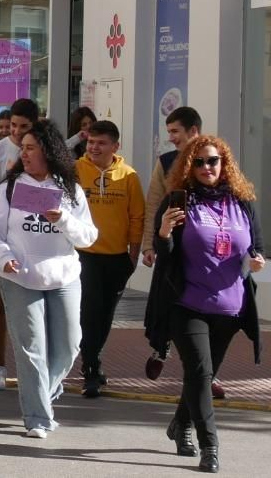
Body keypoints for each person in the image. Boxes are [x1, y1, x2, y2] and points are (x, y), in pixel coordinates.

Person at [148, 135, 263, 473]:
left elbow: (256, 247)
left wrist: (256, 261)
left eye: (212, 161)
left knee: (203, 374)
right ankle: (210, 445)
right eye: (198, 162)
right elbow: (165, 259)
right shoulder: (179, 200)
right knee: (199, 373)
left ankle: (179, 424)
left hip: (230, 305)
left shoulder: (242, 203)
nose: (206, 167)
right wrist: (164, 233)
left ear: (223, 163)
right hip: (188, 303)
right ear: (188, 166)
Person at [0, 119, 97, 439]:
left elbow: (88, 236)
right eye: (23, 148)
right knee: (30, 348)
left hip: (64, 276)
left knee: (69, 346)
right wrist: (4, 258)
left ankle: (42, 394)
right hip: (19, 277)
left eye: (31, 148)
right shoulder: (10, 187)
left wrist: (64, 220)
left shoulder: (69, 189)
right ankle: (37, 417)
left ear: (48, 150)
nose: (25, 153)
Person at [74, 120, 144, 398]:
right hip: (84, 255)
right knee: (89, 311)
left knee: (105, 314)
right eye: (91, 142)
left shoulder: (128, 176)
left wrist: (134, 254)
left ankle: (94, 360)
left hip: (117, 258)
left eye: (101, 143)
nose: (94, 147)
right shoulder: (76, 170)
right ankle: (90, 368)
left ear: (116, 146)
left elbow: (137, 216)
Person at [0, 97, 40, 390]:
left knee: (35, 304)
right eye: (12, 125)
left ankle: (33, 366)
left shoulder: (45, 151)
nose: (15, 131)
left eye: (23, 127)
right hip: (0, 239)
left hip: (35, 238)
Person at [143, 106, 207, 382]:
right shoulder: (166, 162)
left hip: (205, 253)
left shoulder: (213, 161)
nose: (171, 138)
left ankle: (206, 373)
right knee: (166, 303)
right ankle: (160, 348)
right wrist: (149, 244)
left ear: (193, 131)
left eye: (175, 131)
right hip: (170, 247)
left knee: (204, 313)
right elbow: (153, 203)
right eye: (169, 132)